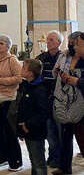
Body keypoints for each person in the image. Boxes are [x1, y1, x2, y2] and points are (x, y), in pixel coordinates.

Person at [0, 34, 23, 171]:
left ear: (8, 46)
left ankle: (16, 161)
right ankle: (3, 157)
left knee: (10, 132)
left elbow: (19, 78)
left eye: (1, 43)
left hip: (8, 99)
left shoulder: (12, 60)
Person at [51, 31, 84, 175]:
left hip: (81, 102)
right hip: (65, 100)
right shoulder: (66, 57)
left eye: (76, 44)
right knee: (65, 135)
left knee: (82, 137)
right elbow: (56, 73)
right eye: (72, 43)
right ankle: (65, 168)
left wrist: (76, 81)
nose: (73, 46)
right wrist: (62, 75)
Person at [35, 30, 63, 169]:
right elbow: (34, 73)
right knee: (49, 131)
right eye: (48, 39)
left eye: (52, 39)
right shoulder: (41, 57)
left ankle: (60, 158)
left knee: (59, 130)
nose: (48, 42)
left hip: (58, 99)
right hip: (44, 99)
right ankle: (52, 157)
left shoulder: (63, 58)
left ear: (59, 42)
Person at [17, 59, 49, 175]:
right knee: (33, 160)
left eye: (24, 67)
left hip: (35, 130)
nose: (21, 69)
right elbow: (22, 108)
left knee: (39, 162)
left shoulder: (40, 89)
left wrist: (27, 125)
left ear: (30, 73)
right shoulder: (27, 85)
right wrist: (21, 129)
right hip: (27, 129)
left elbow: (43, 113)